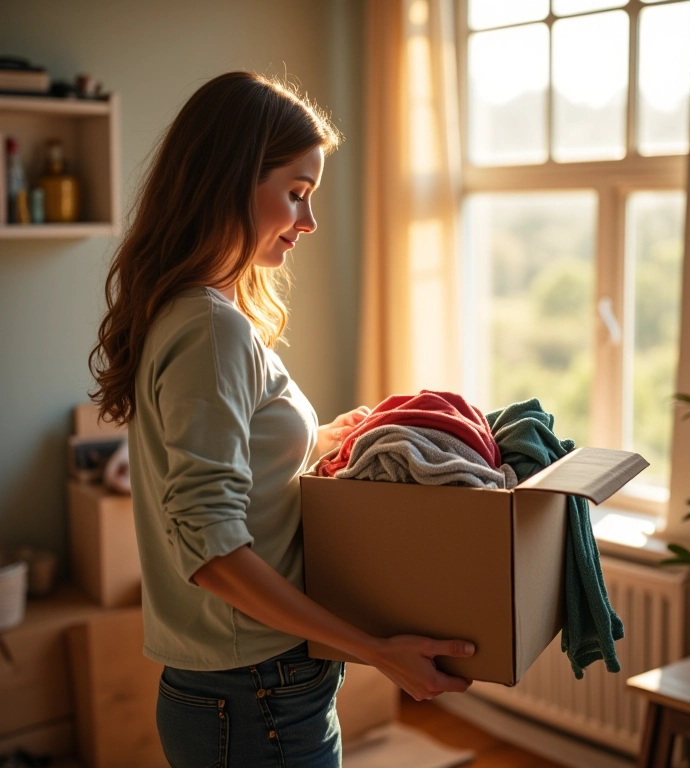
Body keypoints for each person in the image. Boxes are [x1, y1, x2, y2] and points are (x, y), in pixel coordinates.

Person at [88, 71, 474, 768]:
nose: (309, 223)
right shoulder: (212, 329)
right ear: (230, 180)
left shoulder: (188, 313)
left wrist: (326, 438)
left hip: (245, 691)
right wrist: (375, 649)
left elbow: (235, 468)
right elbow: (211, 548)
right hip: (256, 694)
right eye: (296, 194)